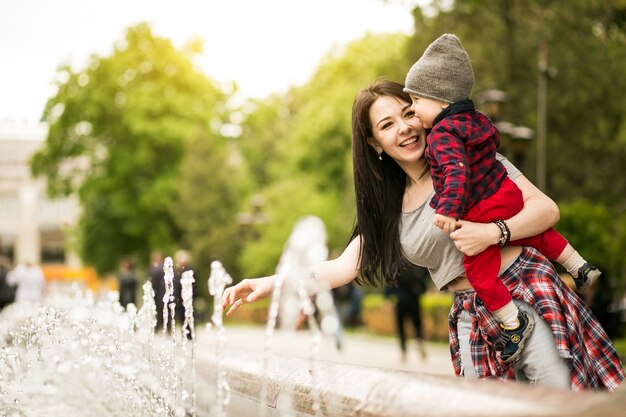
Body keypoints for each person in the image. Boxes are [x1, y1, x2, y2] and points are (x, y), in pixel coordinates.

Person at [223, 80, 624, 391]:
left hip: (523, 290)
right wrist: (272, 284)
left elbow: (545, 210)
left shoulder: (466, 158)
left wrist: (491, 233)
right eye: (386, 125)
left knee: (556, 404)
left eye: (407, 113)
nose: (404, 129)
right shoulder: (389, 210)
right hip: (469, 313)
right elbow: (341, 268)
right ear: (373, 142)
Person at [403, 33, 601, 363]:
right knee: (535, 233)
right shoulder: (477, 119)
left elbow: (455, 173)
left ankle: (512, 324)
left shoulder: (441, 135)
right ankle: (578, 265)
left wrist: (450, 210)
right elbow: (493, 142)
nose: (413, 109)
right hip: (505, 193)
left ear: (440, 101)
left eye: (416, 101)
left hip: (481, 206)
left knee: (478, 271)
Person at [384, 262, 428, 361]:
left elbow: (390, 282)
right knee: (417, 323)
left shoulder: (396, 264)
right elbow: (425, 275)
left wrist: (388, 298)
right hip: (414, 298)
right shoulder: (416, 262)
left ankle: (403, 351)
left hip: (401, 300)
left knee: (401, 327)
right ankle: (418, 339)